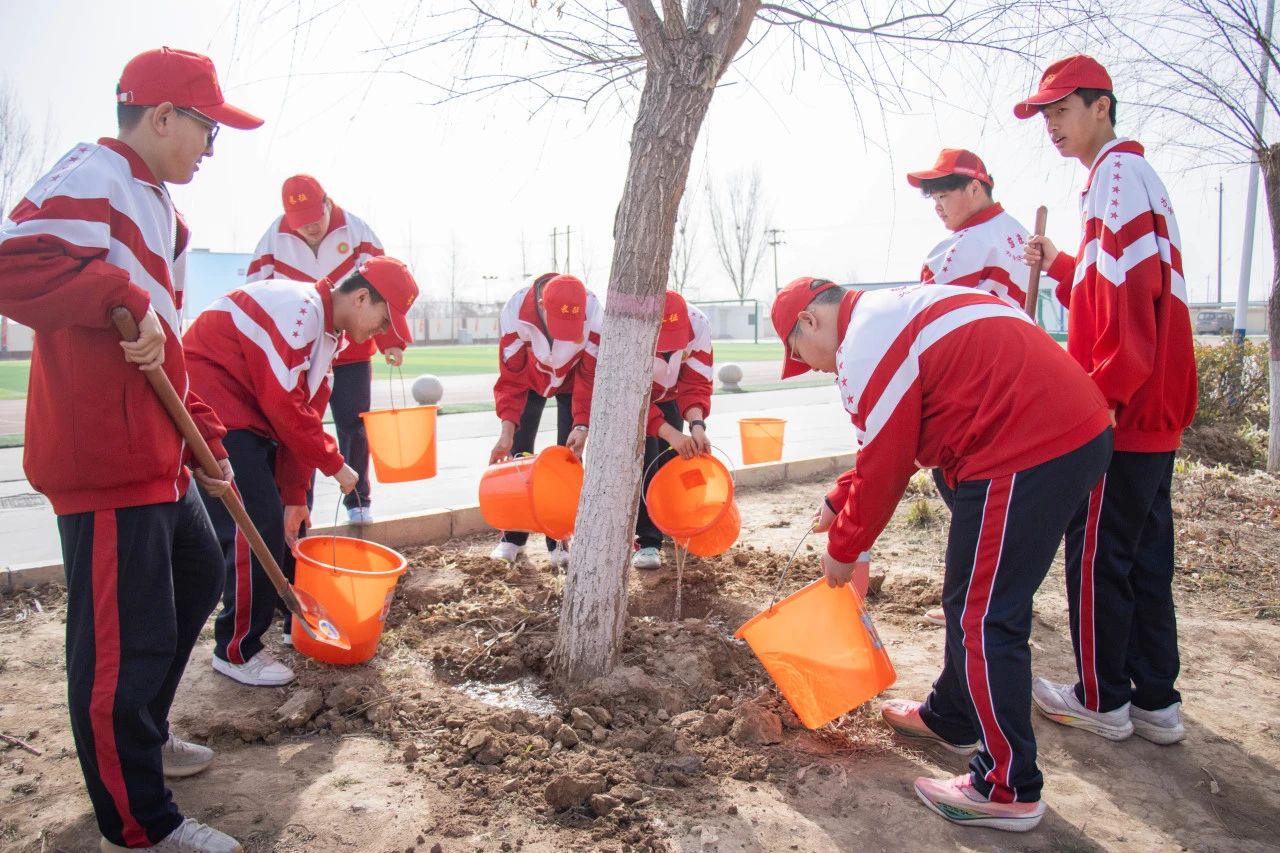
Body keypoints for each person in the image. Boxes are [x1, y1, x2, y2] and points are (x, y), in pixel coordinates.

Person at [0, 47, 260, 853]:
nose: (211, 149)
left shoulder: (162, 211)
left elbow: (165, 345)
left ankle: (143, 731)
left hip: (159, 450)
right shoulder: (98, 172)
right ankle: (141, 822)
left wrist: (206, 437)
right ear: (163, 116)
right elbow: (13, 265)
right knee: (123, 645)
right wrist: (119, 294)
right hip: (105, 456)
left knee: (200, 572)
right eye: (209, 130)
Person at [773, 276, 1112, 832]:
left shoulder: (866, 340)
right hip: (1046, 432)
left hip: (1023, 444)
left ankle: (1006, 788)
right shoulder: (884, 315)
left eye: (798, 354)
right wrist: (840, 498)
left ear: (809, 321)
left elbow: (887, 463)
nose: (810, 367)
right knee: (971, 599)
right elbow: (893, 437)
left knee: (986, 615)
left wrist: (845, 548)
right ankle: (953, 716)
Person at [1018, 54, 1197, 745]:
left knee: (1096, 552)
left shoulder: (1115, 176)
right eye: (1045, 115)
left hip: (1124, 407)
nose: (1052, 125)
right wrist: (1062, 263)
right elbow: (1108, 289)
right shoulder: (1129, 178)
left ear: (1102, 107)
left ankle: (1101, 697)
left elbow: (1127, 304)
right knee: (1142, 553)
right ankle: (1155, 699)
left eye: (1062, 110)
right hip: (1153, 408)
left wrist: (1103, 399)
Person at [184, 257, 418, 687]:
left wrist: (295, 497)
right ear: (361, 297)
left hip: (250, 415)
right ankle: (236, 649)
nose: (381, 332)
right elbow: (283, 406)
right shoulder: (300, 311)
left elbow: (302, 415)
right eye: (384, 320)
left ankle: (296, 618)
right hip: (214, 407)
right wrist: (336, 464)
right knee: (254, 524)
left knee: (289, 525)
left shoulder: (328, 339)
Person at [907, 148, 1034, 626]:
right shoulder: (1018, 233)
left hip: (973, 389)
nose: (938, 205)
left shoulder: (962, 246)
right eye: (933, 197)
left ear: (976, 187)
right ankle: (1003, 598)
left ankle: (972, 601)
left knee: (968, 496)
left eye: (945, 193)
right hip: (1017, 380)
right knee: (999, 503)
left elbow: (928, 323)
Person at [245, 175, 403, 524]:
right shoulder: (273, 237)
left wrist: (389, 339)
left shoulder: (357, 231)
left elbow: (386, 288)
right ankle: (299, 504)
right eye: (301, 223)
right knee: (299, 425)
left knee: (353, 425)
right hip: (299, 350)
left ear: (328, 204)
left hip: (351, 350)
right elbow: (255, 290)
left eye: (315, 218)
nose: (310, 228)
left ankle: (358, 500)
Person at [488, 272, 601, 567]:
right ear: (541, 305)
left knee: (566, 459)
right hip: (530, 379)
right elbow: (511, 377)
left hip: (572, 382)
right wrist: (506, 431)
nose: (564, 336)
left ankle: (560, 536)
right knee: (519, 453)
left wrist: (582, 424)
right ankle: (512, 536)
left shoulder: (594, 312)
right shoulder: (515, 311)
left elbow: (589, 374)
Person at [633, 290, 713, 570]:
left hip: (672, 395)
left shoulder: (698, 324)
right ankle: (647, 541)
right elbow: (633, 396)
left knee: (672, 460)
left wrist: (697, 425)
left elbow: (697, 382)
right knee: (646, 463)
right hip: (636, 399)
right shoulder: (631, 328)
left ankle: (672, 525)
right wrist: (670, 432)